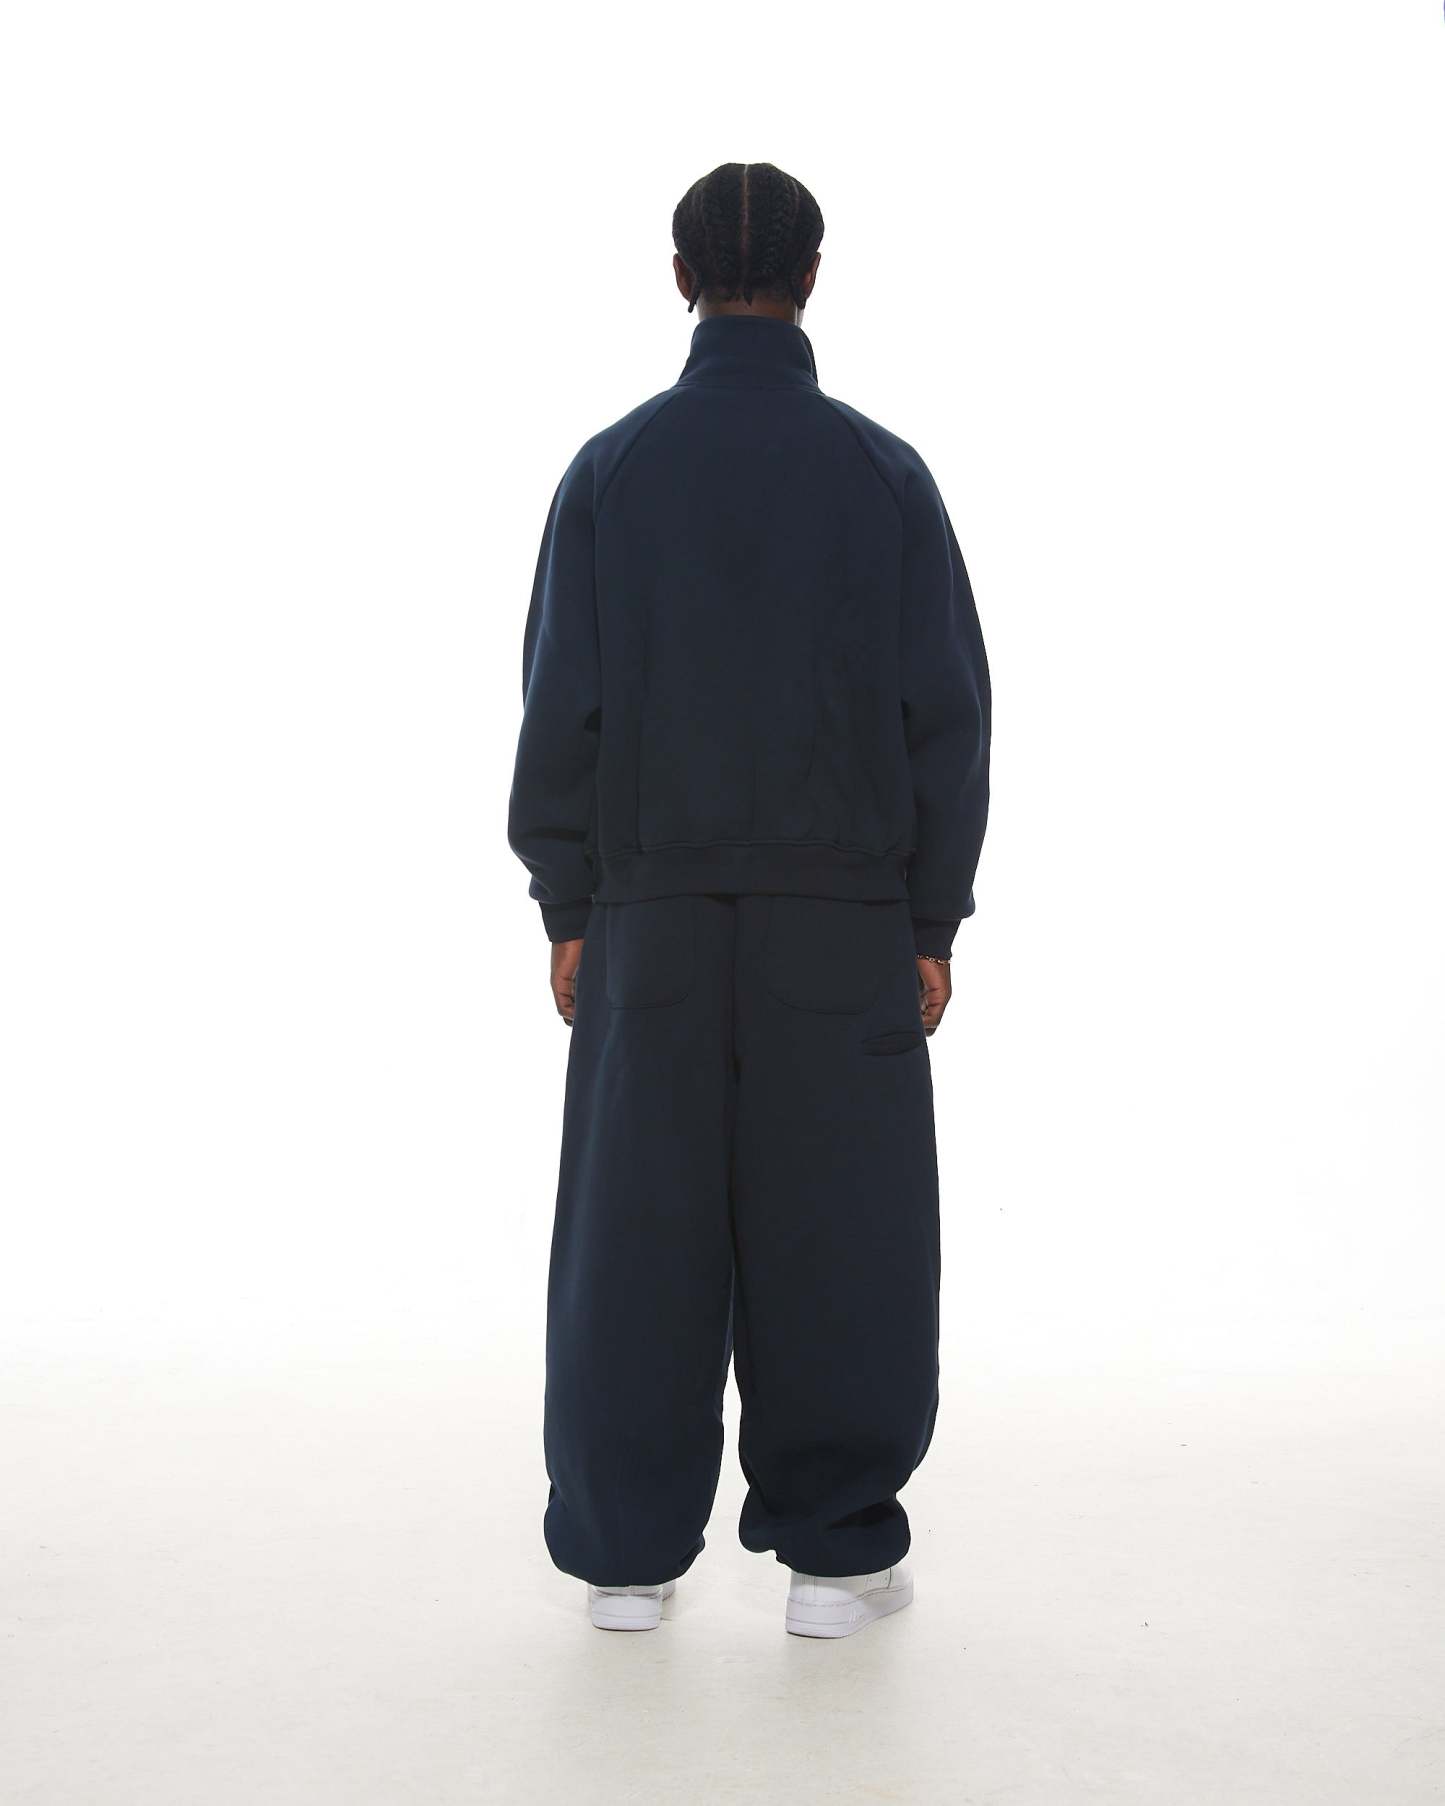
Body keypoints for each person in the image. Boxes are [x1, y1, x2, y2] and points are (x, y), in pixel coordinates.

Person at [508, 162, 990, 1638]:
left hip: (650, 919)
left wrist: (568, 903)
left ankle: (624, 1559)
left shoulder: (610, 472)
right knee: (841, 1231)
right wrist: (930, 919)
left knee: (635, 1234)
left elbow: (562, 706)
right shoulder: (883, 475)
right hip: (839, 926)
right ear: (813, 274)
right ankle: (836, 1560)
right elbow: (945, 714)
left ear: (679, 279)